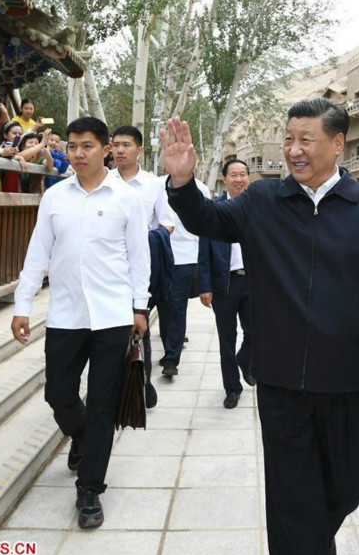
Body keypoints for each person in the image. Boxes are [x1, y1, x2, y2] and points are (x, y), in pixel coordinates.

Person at [161, 98, 359, 555]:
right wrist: (181, 180)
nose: (293, 151)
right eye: (288, 140)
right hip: (280, 379)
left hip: (346, 379)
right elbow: (208, 221)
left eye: (306, 141)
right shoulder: (262, 201)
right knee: (290, 494)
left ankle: (313, 544)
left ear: (337, 145)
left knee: (349, 484)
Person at [10, 117, 149, 530]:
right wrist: (22, 303)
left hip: (112, 317)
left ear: (106, 149)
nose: (77, 154)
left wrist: (139, 308)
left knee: (104, 404)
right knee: (59, 394)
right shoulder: (55, 198)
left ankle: (90, 489)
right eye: (71, 146)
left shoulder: (127, 198)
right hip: (66, 315)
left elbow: (139, 259)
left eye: (86, 146)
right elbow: (38, 254)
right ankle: (84, 438)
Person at [109, 124, 174, 405]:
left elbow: (168, 224)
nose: (120, 150)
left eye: (126, 145)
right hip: (107, 268)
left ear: (139, 150)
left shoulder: (153, 185)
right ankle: (114, 387)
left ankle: (142, 383)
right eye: (116, 145)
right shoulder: (102, 180)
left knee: (139, 325)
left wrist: (141, 240)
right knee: (110, 329)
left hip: (140, 267)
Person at [197, 158, 256, 409]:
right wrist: (204, 285)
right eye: (234, 175)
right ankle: (232, 387)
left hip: (254, 282)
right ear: (225, 179)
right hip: (225, 284)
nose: (239, 179)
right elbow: (204, 250)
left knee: (257, 333)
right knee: (226, 339)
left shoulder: (258, 208)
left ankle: (245, 359)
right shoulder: (214, 209)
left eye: (243, 174)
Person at [157, 168, 211, 378]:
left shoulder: (201, 189)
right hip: (160, 256)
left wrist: (202, 259)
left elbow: (206, 223)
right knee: (164, 306)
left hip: (186, 257)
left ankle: (171, 358)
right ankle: (168, 347)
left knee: (177, 307)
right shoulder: (156, 185)